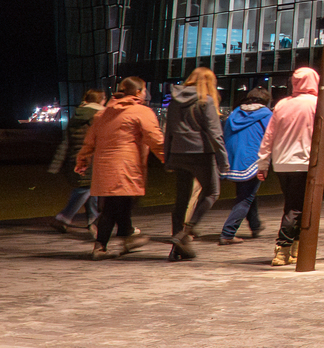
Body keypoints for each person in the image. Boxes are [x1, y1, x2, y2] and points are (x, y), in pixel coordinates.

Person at [255, 67, 324, 267]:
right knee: (297, 207)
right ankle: (283, 247)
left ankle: (295, 249)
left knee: (294, 204)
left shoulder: (282, 105)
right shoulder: (318, 104)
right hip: (305, 163)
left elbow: (269, 136)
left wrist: (263, 163)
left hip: (282, 164)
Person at [76, 77, 164, 260]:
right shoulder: (141, 111)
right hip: (126, 166)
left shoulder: (103, 114)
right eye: (145, 90)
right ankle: (101, 247)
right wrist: (168, 158)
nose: (146, 93)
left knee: (122, 203)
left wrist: (82, 159)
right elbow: (154, 138)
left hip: (105, 167)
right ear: (138, 92)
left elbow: (90, 140)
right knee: (113, 207)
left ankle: (127, 236)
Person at [162, 66, 229, 260]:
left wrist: (167, 158)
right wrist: (223, 161)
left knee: (181, 201)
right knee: (212, 192)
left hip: (178, 153)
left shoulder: (174, 101)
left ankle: (176, 248)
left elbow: (169, 132)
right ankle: (186, 232)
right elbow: (215, 133)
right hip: (201, 154)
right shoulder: (205, 101)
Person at [218, 86, 273, 244]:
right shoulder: (266, 115)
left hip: (233, 159)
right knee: (246, 198)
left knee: (246, 193)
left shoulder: (235, 113)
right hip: (252, 158)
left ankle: (255, 225)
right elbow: (271, 136)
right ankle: (228, 233)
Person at [49, 89, 105, 233]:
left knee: (91, 189)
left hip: (76, 158)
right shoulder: (99, 115)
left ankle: (93, 221)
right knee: (85, 189)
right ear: (100, 100)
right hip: (91, 159)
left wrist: (57, 163)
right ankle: (64, 218)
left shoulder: (76, 116)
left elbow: (65, 142)